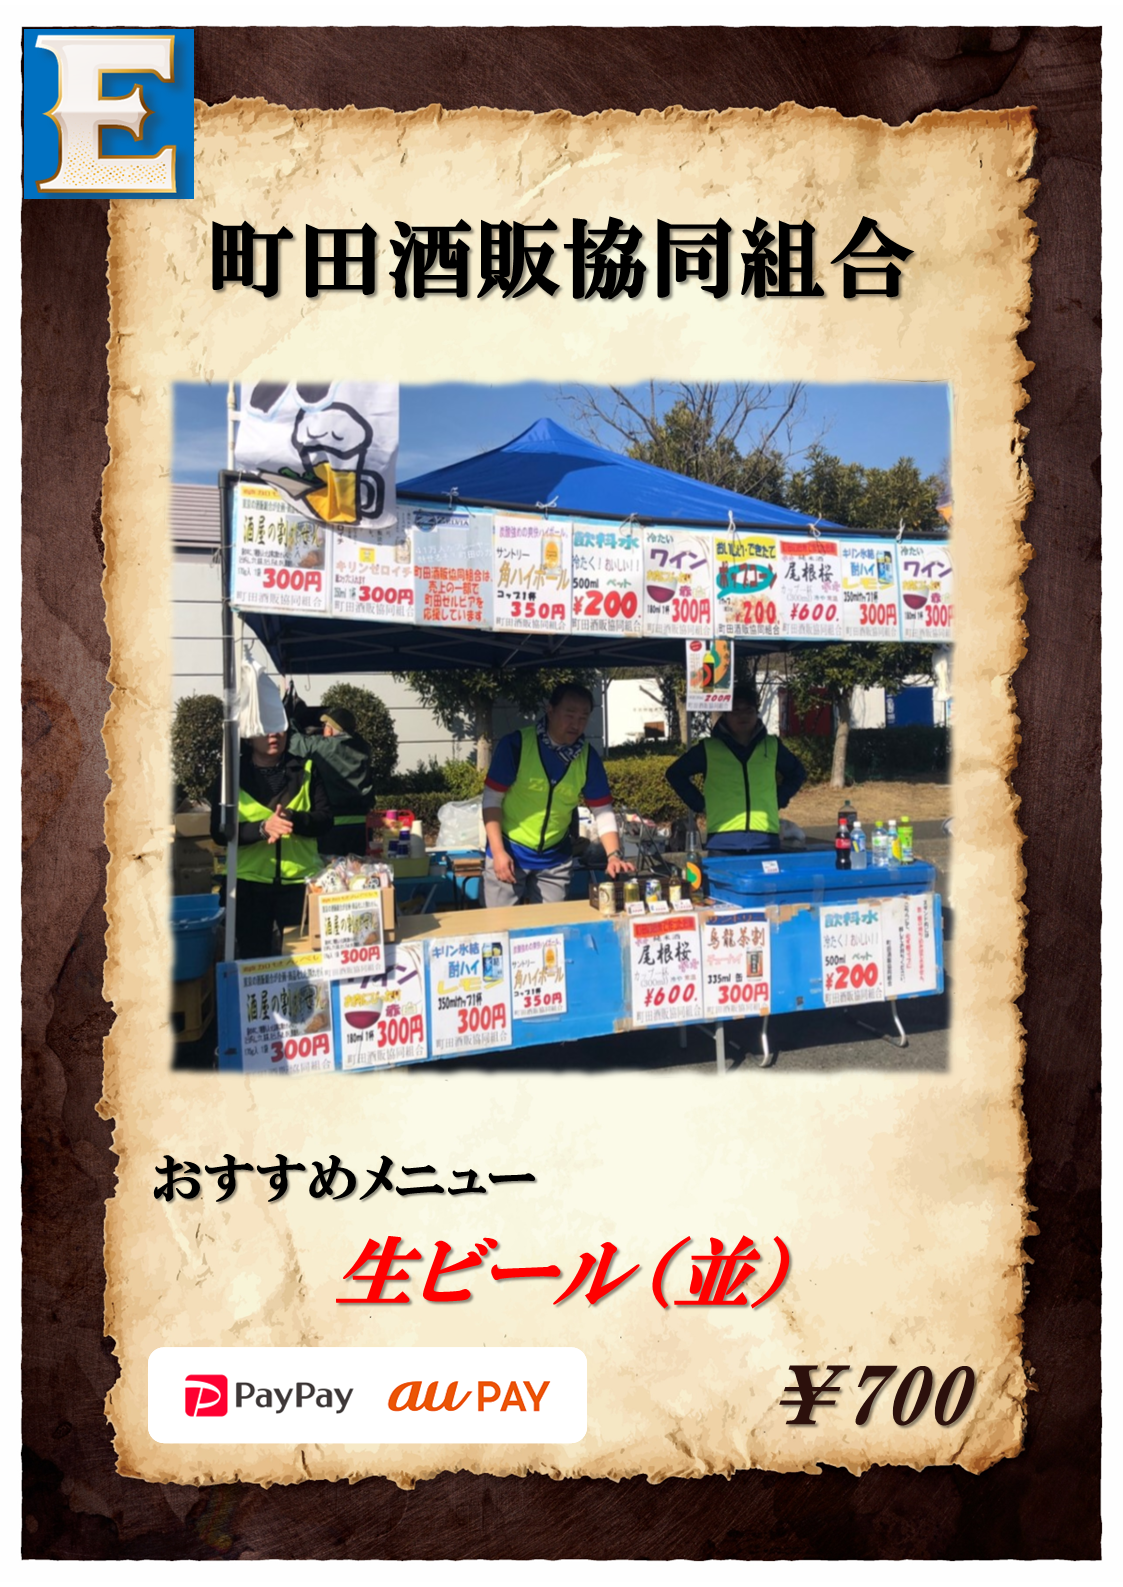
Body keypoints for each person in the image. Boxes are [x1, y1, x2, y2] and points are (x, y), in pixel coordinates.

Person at [482, 683, 634, 907]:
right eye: (569, 715)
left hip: (555, 858)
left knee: (553, 927)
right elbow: (492, 799)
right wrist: (497, 852)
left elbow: (602, 810)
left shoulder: (588, 758)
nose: (576, 724)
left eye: (583, 717)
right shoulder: (516, 745)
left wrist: (613, 855)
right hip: (509, 851)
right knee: (500, 925)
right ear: (550, 710)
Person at [209, 728, 333, 959]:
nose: (274, 735)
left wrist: (294, 819)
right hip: (247, 886)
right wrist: (261, 829)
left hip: (300, 885)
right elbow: (219, 830)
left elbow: (325, 820)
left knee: (304, 960)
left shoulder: (307, 768)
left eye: (280, 728)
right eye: (266, 729)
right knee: (254, 961)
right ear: (249, 736)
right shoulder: (230, 774)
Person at [664, 682, 806, 855]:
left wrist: (779, 798)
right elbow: (675, 774)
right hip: (723, 840)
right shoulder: (709, 748)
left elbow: (797, 773)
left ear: (756, 713)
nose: (743, 716)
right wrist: (700, 804)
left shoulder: (771, 746)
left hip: (766, 839)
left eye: (749, 710)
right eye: (736, 710)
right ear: (725, 714)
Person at [287, 703, 376, 856]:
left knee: (330, 868)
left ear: (330, 729)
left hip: (331, 824)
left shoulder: (321, 747)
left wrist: (291, 718)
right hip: (361, 823)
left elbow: (294, 742)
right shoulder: (364, 748)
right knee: (357, 868)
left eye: (325, 726)